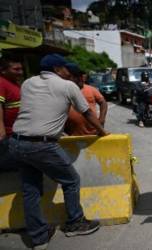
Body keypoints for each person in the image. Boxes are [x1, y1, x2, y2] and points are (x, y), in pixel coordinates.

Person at [9, 54, 109, 249]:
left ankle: (38, 237)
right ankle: (75, 222)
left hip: (17, 142)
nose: (69, 72)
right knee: (71, 180)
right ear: (56, 69)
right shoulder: (67, 86)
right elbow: (87, 112)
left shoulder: (28, 83)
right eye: (65, 68)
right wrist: (103, 132)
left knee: (31, 189)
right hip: (42, 145)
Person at [64, 63, 108, 135]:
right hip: (73, 135)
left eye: (81, 76)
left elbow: (103, 102)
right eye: (76, 76)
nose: (80, 78)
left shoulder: (91, 89)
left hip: (93, 134)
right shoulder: (64, 91)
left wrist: (101, 119)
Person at [0, 56, 23, 171]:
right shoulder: (1, 83)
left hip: (16, 134)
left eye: (21, 69)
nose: (20, 72)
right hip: (7, 137)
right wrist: (2, 132)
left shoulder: (14, 83)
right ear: (3, 70)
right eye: (16, 69)